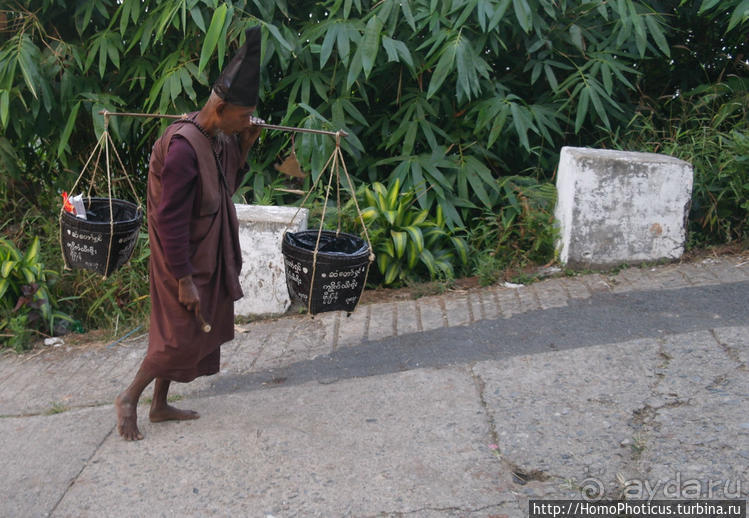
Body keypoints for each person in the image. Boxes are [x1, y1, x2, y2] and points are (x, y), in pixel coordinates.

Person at [115, 27, 263, 441]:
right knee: (177, 336)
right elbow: (170, 219)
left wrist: (246, 143)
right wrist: (183, 278)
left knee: (190, 332)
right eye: (243, 116)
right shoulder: (183, 148)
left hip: (203, 253)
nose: (247, 122)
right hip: (179, 257)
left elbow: (224, 186)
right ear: (219, 107)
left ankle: (160, 406)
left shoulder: (214, 138)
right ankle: (129, 398)